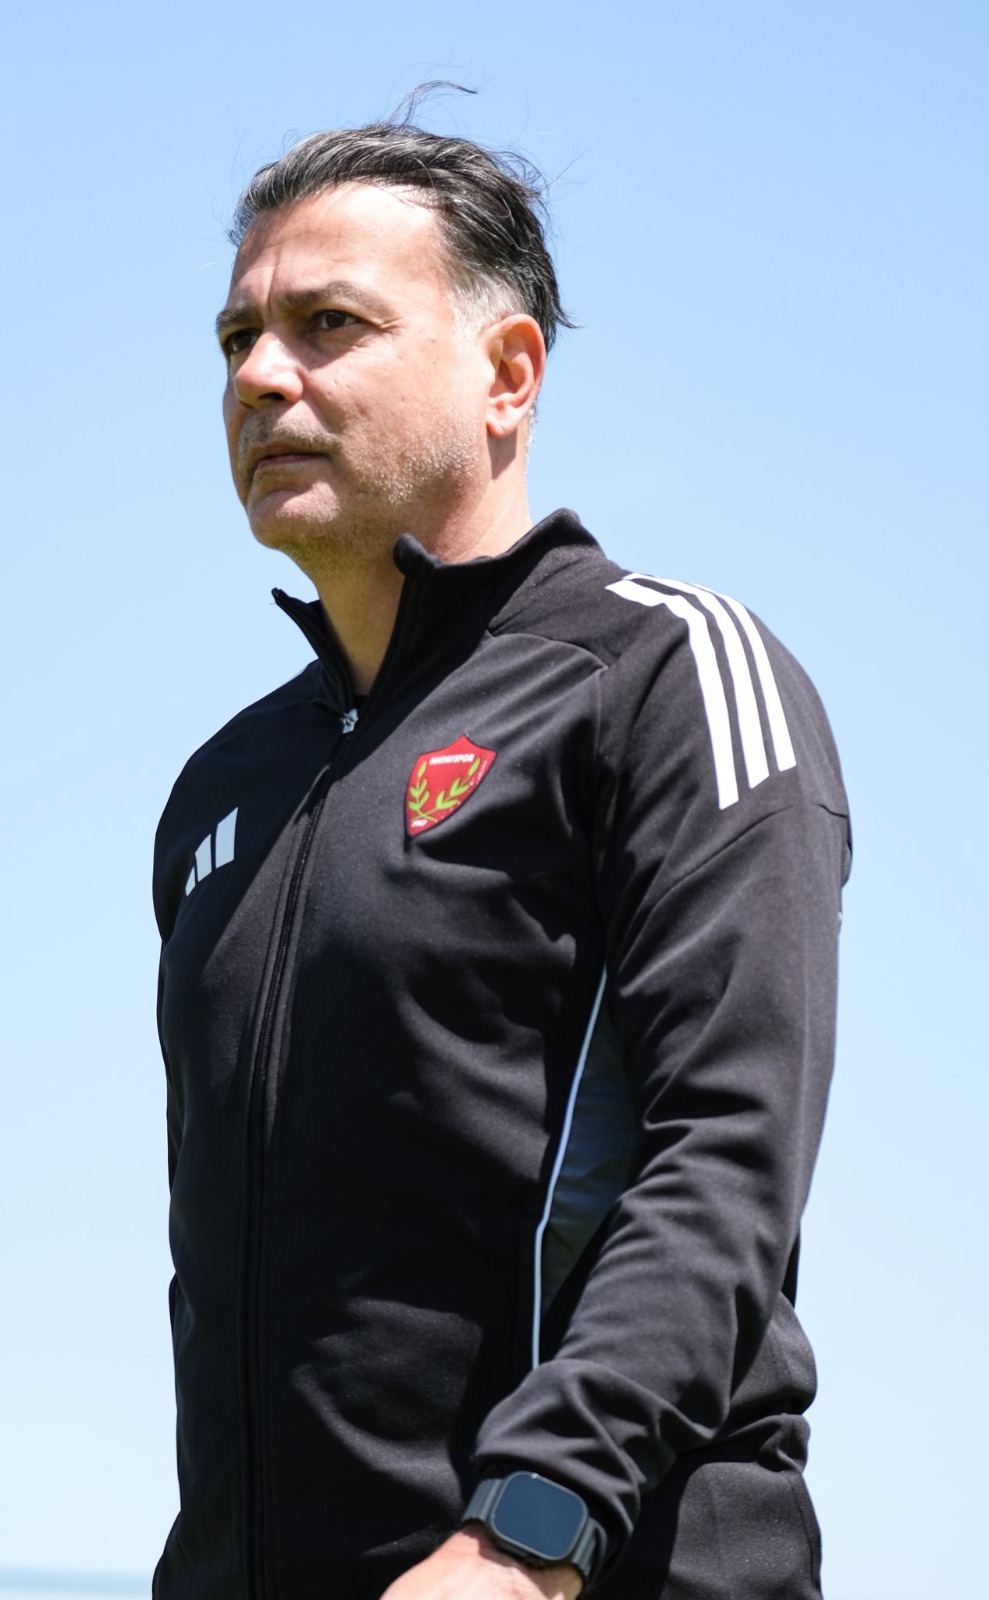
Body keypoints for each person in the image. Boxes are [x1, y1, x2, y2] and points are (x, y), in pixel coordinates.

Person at [152, 105, 850, 1600]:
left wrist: (530, 1532)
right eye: (237, 338)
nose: (261, 376)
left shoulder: (662, 675)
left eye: (329, 325)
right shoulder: (222, 789)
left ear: (508, 374)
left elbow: (727, 1155)